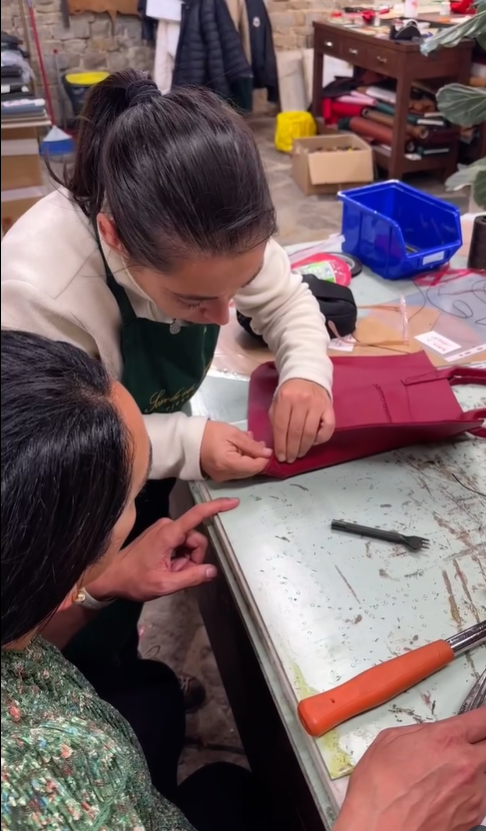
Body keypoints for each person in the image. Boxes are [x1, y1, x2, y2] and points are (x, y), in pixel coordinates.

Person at [2, 330, 486, 831]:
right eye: (134, 495)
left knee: (193, 744)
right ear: (55, 566)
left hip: (125, 767)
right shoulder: (40, 791)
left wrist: (94, 589)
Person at [1, 69, 335, 691]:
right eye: (194, 301)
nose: (227, 316)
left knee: (130, 584)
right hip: (71, 497)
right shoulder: (41, 289)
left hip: (132, 466)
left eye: (240, 286)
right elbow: (63, 455)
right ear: (114, 237)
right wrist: (187, 441)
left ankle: (125, 679)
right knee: (83, 614)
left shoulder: (218, 232)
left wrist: (307, 375)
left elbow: (288, 302)